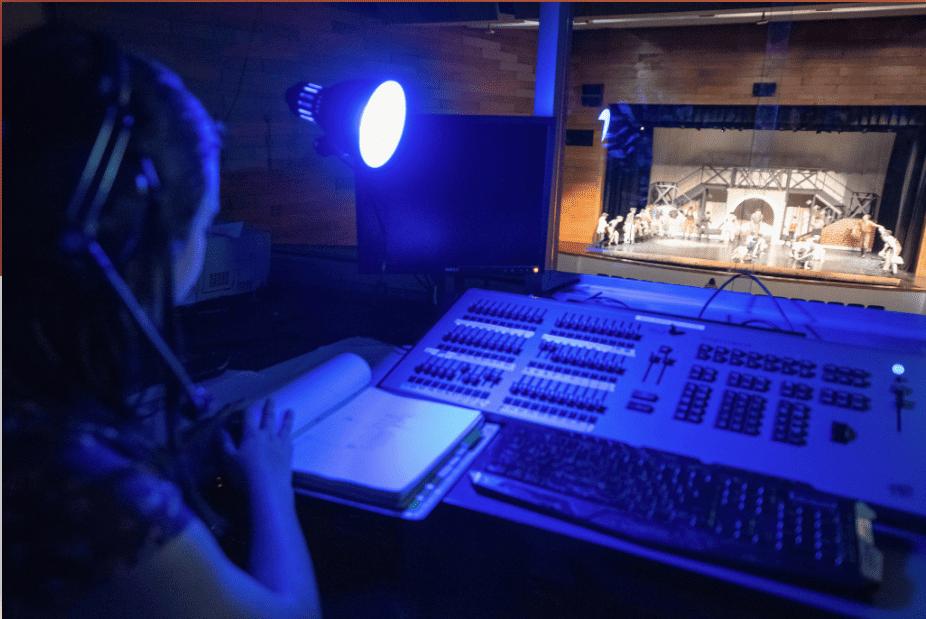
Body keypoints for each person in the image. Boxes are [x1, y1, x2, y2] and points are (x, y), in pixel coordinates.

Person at [3, 28, 320, 619]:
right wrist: (272, 484)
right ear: (124, 244)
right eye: (204, 222)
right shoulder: (93, 497)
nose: (202, 245)